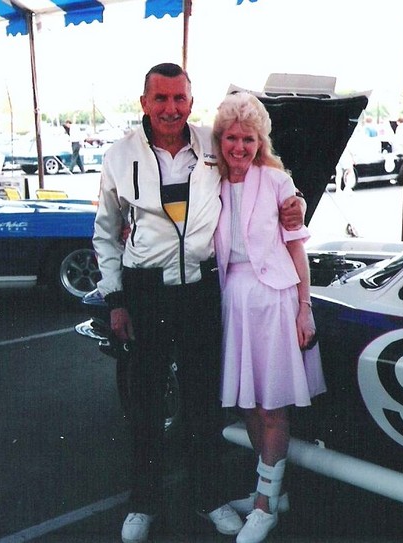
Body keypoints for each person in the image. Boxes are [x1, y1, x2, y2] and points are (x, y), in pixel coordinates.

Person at [92, 63, 305, 543]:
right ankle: (143, 504)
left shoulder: (213, 143)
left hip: (202, 291)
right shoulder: (117, 156)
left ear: (191, 102)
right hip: (145, 290)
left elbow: (262, 166)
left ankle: (208, 497)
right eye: (161, 99)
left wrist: (298, 200)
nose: (171, 108)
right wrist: (116, 300)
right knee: (145, 403)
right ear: (144, 101)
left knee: (204, 405)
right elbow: (106, 232)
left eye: (179, 99)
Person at [212, 92, 326, 543]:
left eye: (249, 139)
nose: (240, 147)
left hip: (275, 301)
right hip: (232, 302)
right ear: (220, 140)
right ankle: (272, 492)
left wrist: (304, 308)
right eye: (232, 138)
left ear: (261, 142)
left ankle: (264, 505)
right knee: (247, 404)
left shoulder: (279, 183)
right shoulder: (212, 184)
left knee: (272, 404)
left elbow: (298, 250)